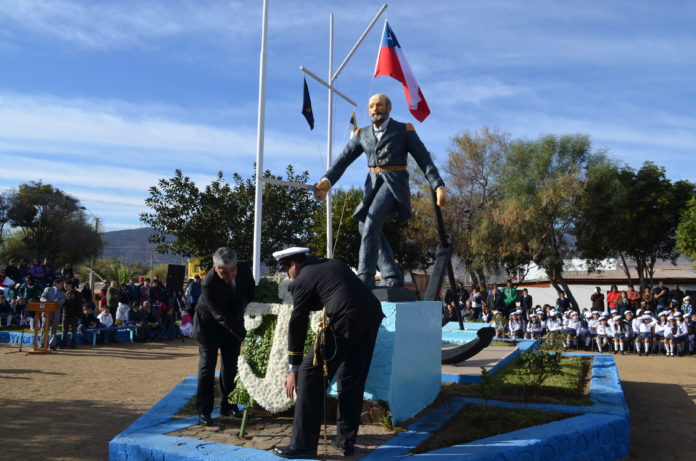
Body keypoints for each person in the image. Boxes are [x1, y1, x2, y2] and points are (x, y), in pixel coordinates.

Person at [314, 94, 447, 288]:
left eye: (379, 105)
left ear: (389, 107)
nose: (375, 109)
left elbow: (424, 160)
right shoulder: (362, 134)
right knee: (363, 225)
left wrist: (438, 185)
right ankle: (391, 274)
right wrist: (327, 181)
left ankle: (364, 277)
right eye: (371, 106)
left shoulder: (404, 130)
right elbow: (342, 161)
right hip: (372, 186)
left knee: (372, 222)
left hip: (394, 185)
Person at [272, 247, 384, 459]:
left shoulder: (302, 278)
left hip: (347, 319)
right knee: (351, 378)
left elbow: (297, 322)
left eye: (287, 269)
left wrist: (293, 367)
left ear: (294, 264)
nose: (288, 275)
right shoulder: (331, 264)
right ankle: (345, 442)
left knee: (308, 374)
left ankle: (302, 446)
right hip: (372, 315)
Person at [193, 247, 254, 426]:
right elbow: (220, 315)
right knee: (207, 367)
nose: (229, 275)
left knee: (230, 366)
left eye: (232, 270)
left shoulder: (243, 268)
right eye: (223, 272)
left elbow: (250, 293)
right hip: (208, 326)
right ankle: (204, 411)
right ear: (215, 267)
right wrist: (244, 335)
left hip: (232, 323)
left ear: (236, 265)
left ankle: (229, 406)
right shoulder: (208, 283)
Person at [40, 278, 66, 351]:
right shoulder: (48, 289)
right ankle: (42, 344)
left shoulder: (62, 293)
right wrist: (47, 302)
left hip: (56, 313)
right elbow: (42, 297)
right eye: (61, 284)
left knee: (54, 330)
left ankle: (52, 345)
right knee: (45, 329)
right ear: (56, 284)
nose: (62, 286)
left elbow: (63, 300)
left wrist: (59, 302)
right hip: (47, 312)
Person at [60, 280, 81, 348]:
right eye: (64, 286)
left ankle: (73, 344)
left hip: (74, 315)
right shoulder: (63, 293)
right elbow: (62, 305)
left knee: (74, 331)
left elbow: (79, 305)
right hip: (65, 314)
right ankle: (63, 344)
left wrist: (78, 315)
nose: (65, 287)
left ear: (70, 285)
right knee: (64, 330)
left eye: (66, 285)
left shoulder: (77, 293)